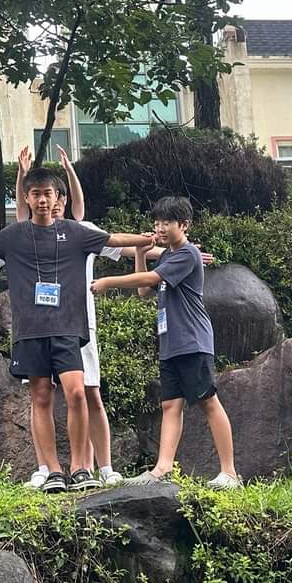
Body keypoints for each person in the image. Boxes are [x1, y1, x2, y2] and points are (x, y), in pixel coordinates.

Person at [0, 167, 155, 493]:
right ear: (26, 198)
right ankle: (52, 471)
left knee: (77, 393)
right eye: (36, 194)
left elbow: (115, 239)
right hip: (30, 329)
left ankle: (81, 468)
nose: (43, 200)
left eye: (48, 193)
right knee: (41, 396)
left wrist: (149, 239)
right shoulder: (14, 235)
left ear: (57, 197)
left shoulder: (75, 232)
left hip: (68, 327)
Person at [90, 195, 240, 489]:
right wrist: (140, 252)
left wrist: (108, 282)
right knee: (170, 404)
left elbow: (150, 279)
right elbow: (144, 292)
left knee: (208, 401)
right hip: (171, 342)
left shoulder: (187, 254)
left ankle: (229, 472)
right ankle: (162, 469)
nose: (159, 228)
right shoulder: (168, 256)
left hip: (192, 339)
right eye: (157, 222)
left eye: (166, 222)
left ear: (184, 225)